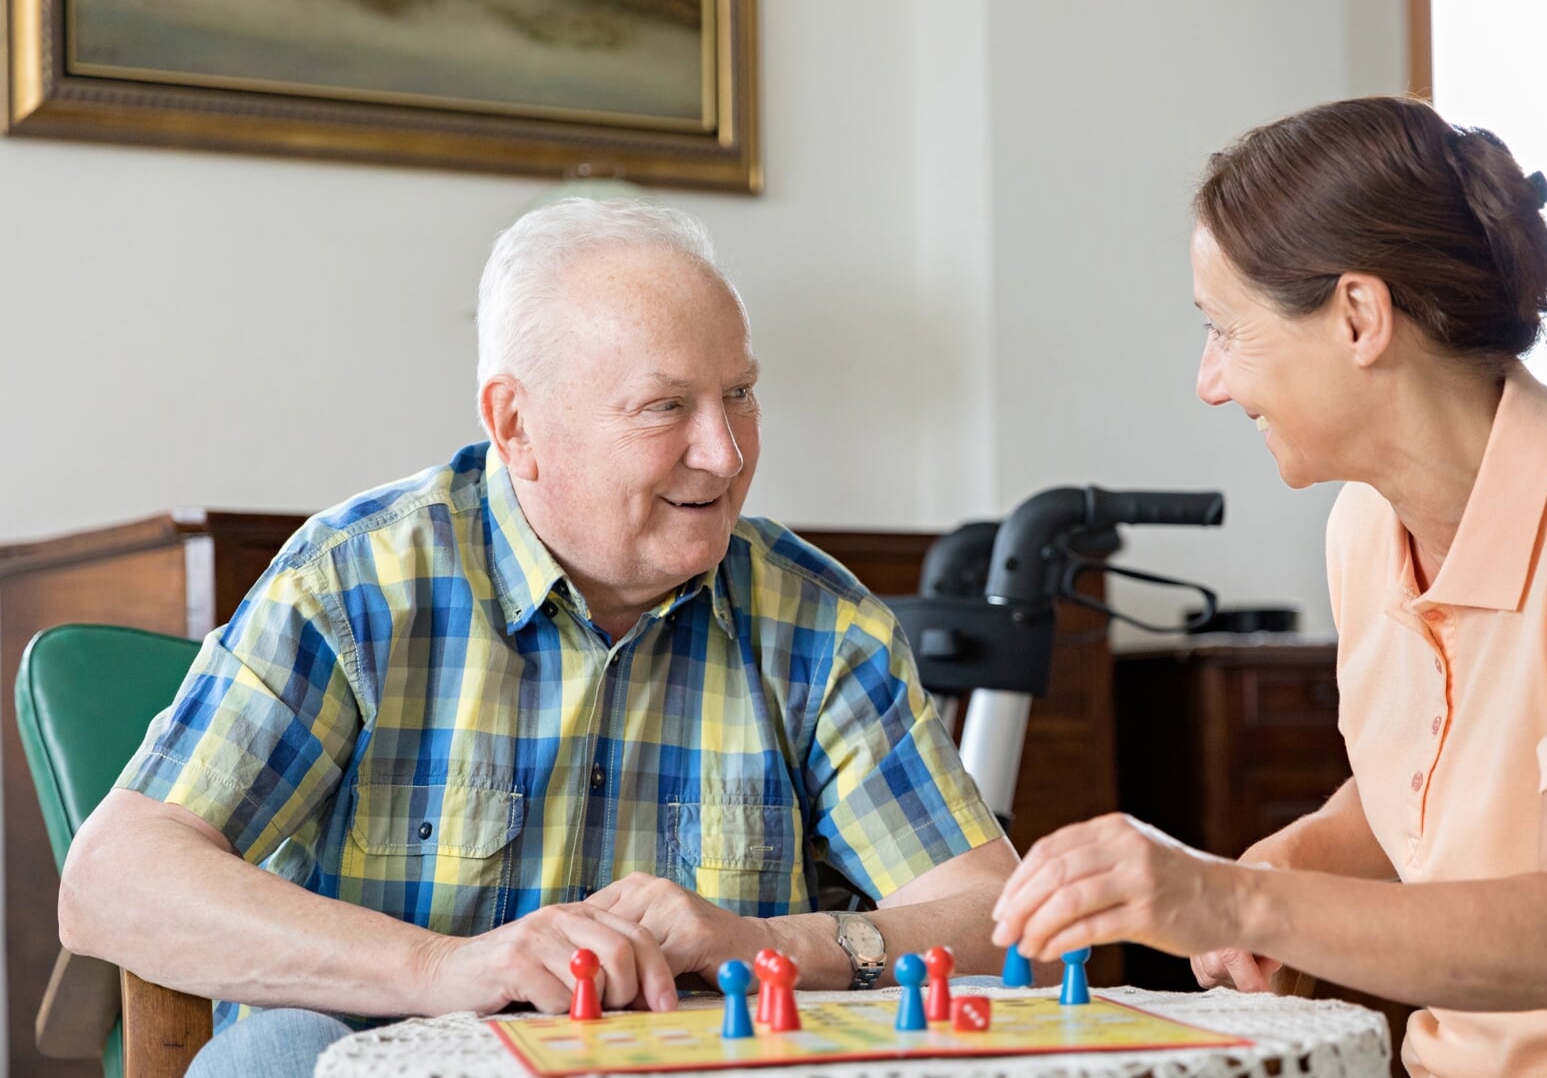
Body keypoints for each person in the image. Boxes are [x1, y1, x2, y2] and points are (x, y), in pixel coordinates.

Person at [989, 97, 1547, 1077]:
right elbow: (1412, 800)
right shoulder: (1365, 525)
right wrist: (1285, 867)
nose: (1209, 381)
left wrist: (1226, 897)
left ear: (1359, 316)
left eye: (1225, 331)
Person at [59, 199, 1014, 1077]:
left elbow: (1010, 923)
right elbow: (114, 881)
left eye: (742, 394)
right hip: (387, 1061)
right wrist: (442, 969)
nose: (725, 453)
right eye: (666, 406)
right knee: (279, 1053)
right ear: (517, 424)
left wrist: (767, 943)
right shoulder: (356, 583)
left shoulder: (820, 626)